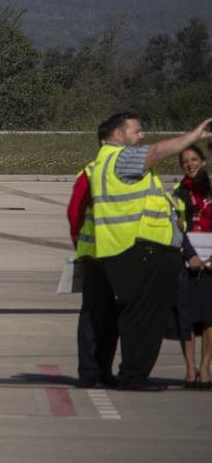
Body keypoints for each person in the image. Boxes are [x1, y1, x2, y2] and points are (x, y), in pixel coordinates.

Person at [85, 112, 212, 391]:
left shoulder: (105, 162)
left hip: (129, 250)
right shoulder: (120, 157)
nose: (142, 137)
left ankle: (132, 372)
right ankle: (134, 374)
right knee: (144, 319)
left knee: (137, 317)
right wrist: (190, 138)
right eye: (137, 132)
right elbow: (155, 152)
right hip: (140, 251)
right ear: (118, 134)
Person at [67, 167, 120, 387]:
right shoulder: (90, 172)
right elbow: (75, 213)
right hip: (95, 256)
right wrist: (80, 247)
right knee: (92, 314)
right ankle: (89, 369)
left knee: (112, 316)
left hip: (121, 256)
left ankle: (104, 369)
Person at [174, 143, 212, 389]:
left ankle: (205, 367)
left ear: (203, 161)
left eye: (194, 159)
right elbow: (176, 229)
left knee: (209, 318)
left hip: (211, 261)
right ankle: (189, 368)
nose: (190, 164)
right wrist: (191, 255)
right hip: (188, 260)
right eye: (185, 161)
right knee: (186, 318)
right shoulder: (178, 193)